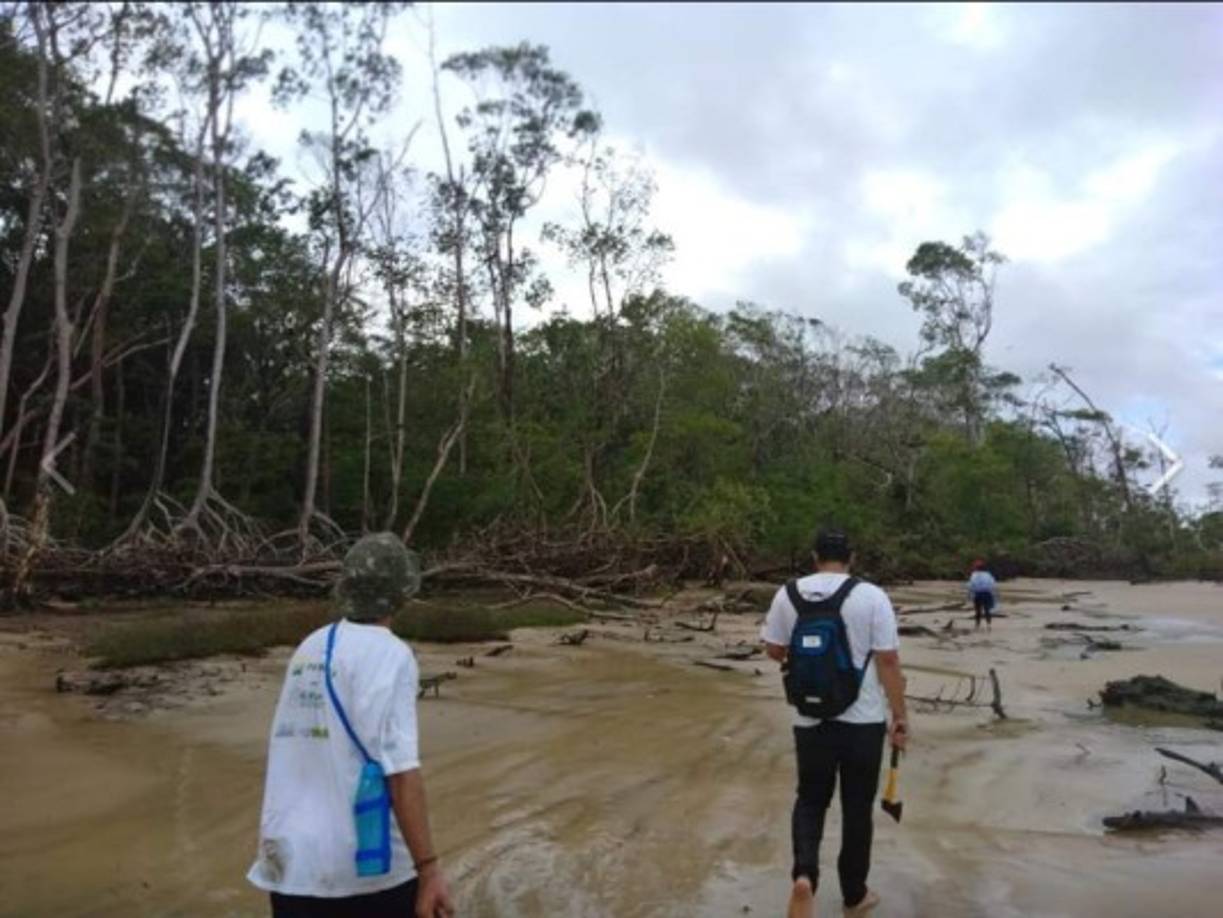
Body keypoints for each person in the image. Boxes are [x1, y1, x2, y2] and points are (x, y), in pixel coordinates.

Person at [248, 532, 455, 918]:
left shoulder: (310, 646)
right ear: (402, 593)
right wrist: (429, 870)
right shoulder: (392, 654)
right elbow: (401, 773)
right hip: (364, 872)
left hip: (289, 865)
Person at [761, 528, 908, 918]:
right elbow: (888, 661)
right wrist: (900, 715)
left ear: (814, 557)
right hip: (863, 722)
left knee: (810, 799)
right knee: (857, 808)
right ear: (851, 558)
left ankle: (804, 876)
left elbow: (774, 649)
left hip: (809, 718)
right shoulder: (871, 596)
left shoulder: (788, 594)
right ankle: (854, 895)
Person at [967, 559, 999, 631]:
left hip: (978, 594)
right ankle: (988, 625)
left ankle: (977, 626)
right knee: (987, 610)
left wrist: (969, 595)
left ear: (976, 568)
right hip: (987, 594)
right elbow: (993, 585)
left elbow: (971, 586)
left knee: (978, 611)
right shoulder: (988, 575)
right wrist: (995, 595)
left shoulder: (974, 575)